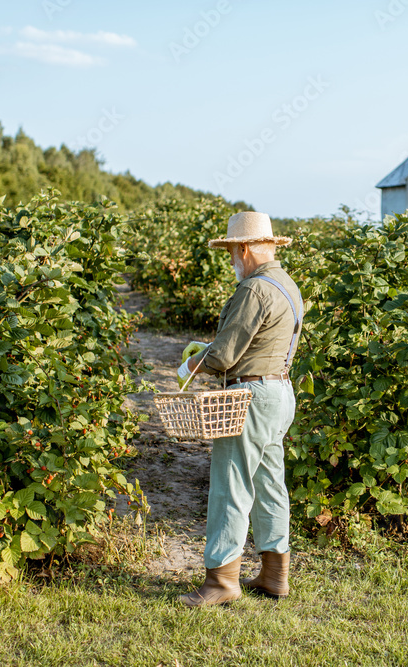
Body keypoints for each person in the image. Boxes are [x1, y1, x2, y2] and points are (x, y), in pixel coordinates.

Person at [176, 211, 303, 607]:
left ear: (245, 248)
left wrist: (191, 363)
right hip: (279, 393)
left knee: (231, 485)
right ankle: (273, 575)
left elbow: (226, 354)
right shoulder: (287, 285)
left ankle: (221, 581)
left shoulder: (253, 289)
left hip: (248, 398)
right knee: (269, 484)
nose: (232, 259)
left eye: (233, 251)